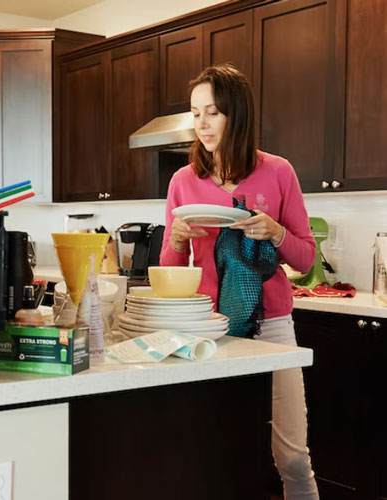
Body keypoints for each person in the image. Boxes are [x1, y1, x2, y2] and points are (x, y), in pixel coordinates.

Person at [160, 64, 319, 500]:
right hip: (208, 328)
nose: (203, 124)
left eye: (213, 112)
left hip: (271, 324)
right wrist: (175, 239)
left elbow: (305, 259)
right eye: (196, 114)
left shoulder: (278, 172)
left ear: (237, 114)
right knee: (217, 451)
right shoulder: (183, 181)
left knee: (292, 456)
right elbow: (169, 271)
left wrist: (276, 232)